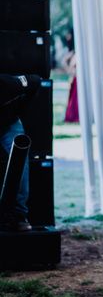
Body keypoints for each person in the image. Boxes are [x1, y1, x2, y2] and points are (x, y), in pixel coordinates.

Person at [0, 74, 41, 232]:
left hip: (9, 124)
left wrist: (20, 109)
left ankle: (19, 214)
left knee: (20, 160)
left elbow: (35, 81)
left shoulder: (9, 83)